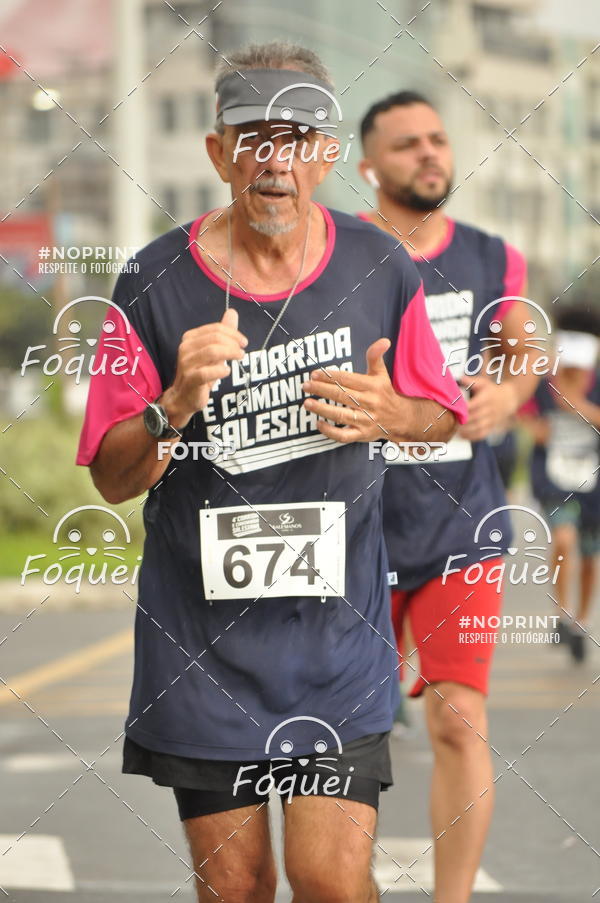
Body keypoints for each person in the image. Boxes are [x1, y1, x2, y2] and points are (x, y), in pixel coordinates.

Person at [77, 46, 466, 903]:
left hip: (337, 643)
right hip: (201, 649)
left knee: (330, 876)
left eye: (297, 138)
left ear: (328, 154)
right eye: (253, 138)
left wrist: (391, 413)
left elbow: (442, 412)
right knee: (239, 886)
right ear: (218, 154)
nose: (275, 160)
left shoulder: (380, 264)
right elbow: (111, 476)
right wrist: (174, 401)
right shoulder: (151, 279)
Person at [358, 91, 540, 903]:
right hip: (352, 525)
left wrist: (507, 394)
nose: (430, 154)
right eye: (407, 145)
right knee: (345, 734)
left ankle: (452, 899)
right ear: (369, 165)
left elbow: (520, 352)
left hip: (461, 520)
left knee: (457, 718)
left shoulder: (491, 255)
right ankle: (340, 883)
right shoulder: (336, 252)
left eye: (437, 140)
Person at [524, 304, 600, 663]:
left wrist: (580, 408)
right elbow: (520, 411)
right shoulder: (544, 381)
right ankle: (561, 614)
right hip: (555, 479)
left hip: (593, 483)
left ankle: (580, 621)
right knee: (563, 538)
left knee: (589, 558)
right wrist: (536, 429)